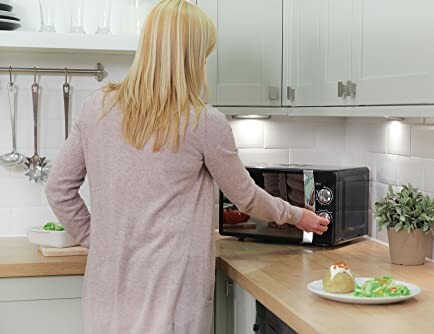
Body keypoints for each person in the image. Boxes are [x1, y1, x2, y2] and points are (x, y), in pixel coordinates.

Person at [45, 1, 330, 333]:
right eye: (204, 55)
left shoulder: (97, 108)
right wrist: (296, 215)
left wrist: (99, 241)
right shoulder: (204, 122)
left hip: (106, 296)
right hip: (172, 295)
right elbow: (246, 199)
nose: (205, 64)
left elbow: (58, 191)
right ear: (191, 59)